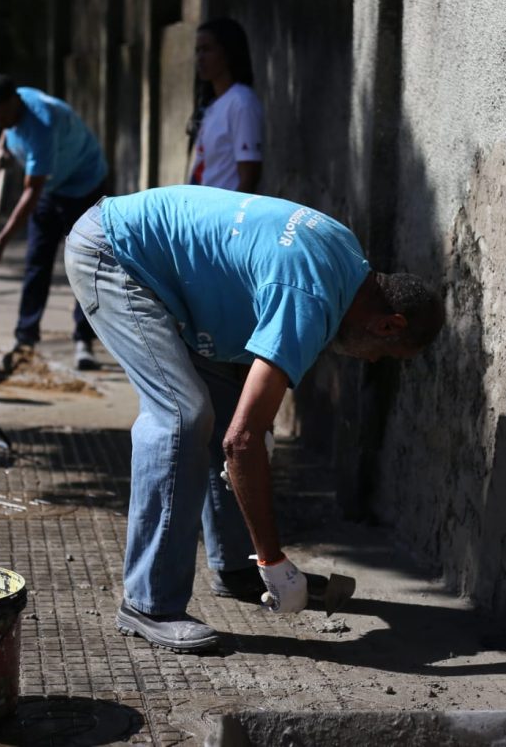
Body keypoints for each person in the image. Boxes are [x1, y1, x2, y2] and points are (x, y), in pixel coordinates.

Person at [64, 185, 445, 652]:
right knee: (183, 416)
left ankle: (234, 567)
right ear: (389, 325)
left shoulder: (346, 261)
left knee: (230, 410)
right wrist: (274, 557)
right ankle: (148, 603)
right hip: (116, 256)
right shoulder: (310, 297)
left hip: (159, 266)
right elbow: (240, 445)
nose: (370, 362)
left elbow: (246, 423)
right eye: (383, 354)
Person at [0, 75, 108, 370]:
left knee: (84, 264)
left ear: (15, 102)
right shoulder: (14, 100)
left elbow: (31, 192)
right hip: (53, 187)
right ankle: (25, 339)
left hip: (84, 185)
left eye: (2, 115)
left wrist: (1, 239)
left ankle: (83, 340)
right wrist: (3, 147)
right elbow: (8, 128)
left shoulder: (41, 125)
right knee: (36, 260)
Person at [188, 18, 263, 194]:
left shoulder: (241, 102)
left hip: (224, 218)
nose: (200, 58)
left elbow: (249, 177)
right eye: (197, 51)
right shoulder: (214, 105)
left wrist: (234, 220)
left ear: (228, 52)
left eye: (207, 49)